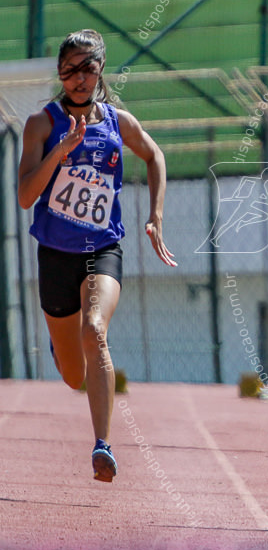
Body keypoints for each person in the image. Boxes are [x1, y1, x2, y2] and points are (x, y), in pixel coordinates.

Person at [18, 29, 176, 482]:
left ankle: (102, 445)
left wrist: (156, 215)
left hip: (101, 250)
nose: (80, 79)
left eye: (88, 67)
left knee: (95, 331)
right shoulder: (41, 125)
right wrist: (59, 155)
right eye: (70, 71)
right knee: (72, 375)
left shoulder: (117, 122)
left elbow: (154, 154)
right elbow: (27, 196)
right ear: (60, 75)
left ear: (101, 68)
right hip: (55, 256)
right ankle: (61, 344)